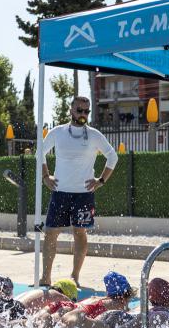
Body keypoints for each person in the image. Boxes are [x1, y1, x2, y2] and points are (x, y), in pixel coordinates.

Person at [39, 95, 118, 287]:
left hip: (84, 194)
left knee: (79, 233)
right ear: (71, 110)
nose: (83, 114)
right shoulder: (57, 132)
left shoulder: (94, 135)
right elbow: (39, 152)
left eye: (86, 111)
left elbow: (112, 157)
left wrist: (101, 180)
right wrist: (45, 176)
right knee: (50, 233)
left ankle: (74, 277)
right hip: (60, 191)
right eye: (79, 110)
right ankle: (46, 277)